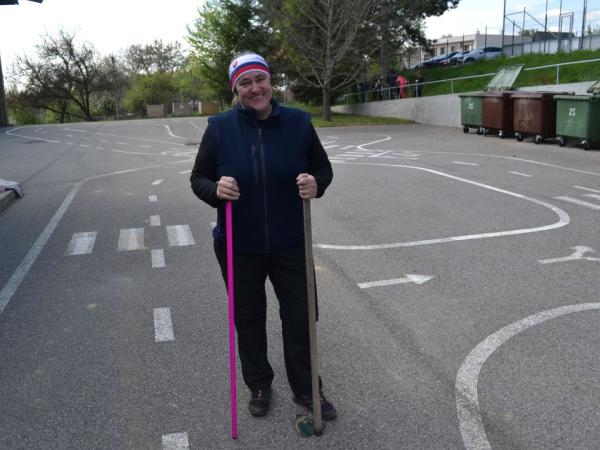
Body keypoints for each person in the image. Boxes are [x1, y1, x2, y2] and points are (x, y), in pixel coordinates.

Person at [190, 51, 337, 421]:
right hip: (239, 244)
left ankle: (306, 388)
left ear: (271, 82)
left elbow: (323, 168)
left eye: (261, 79)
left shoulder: (299, 123)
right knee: (249, 318)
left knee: (301, 317)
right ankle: (258, 384)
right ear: (235, 89)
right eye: (245, 82)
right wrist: (215, 189)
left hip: (291, 242)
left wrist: (316, 183)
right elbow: (198, 178)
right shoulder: (219, 128)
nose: (255, 88)